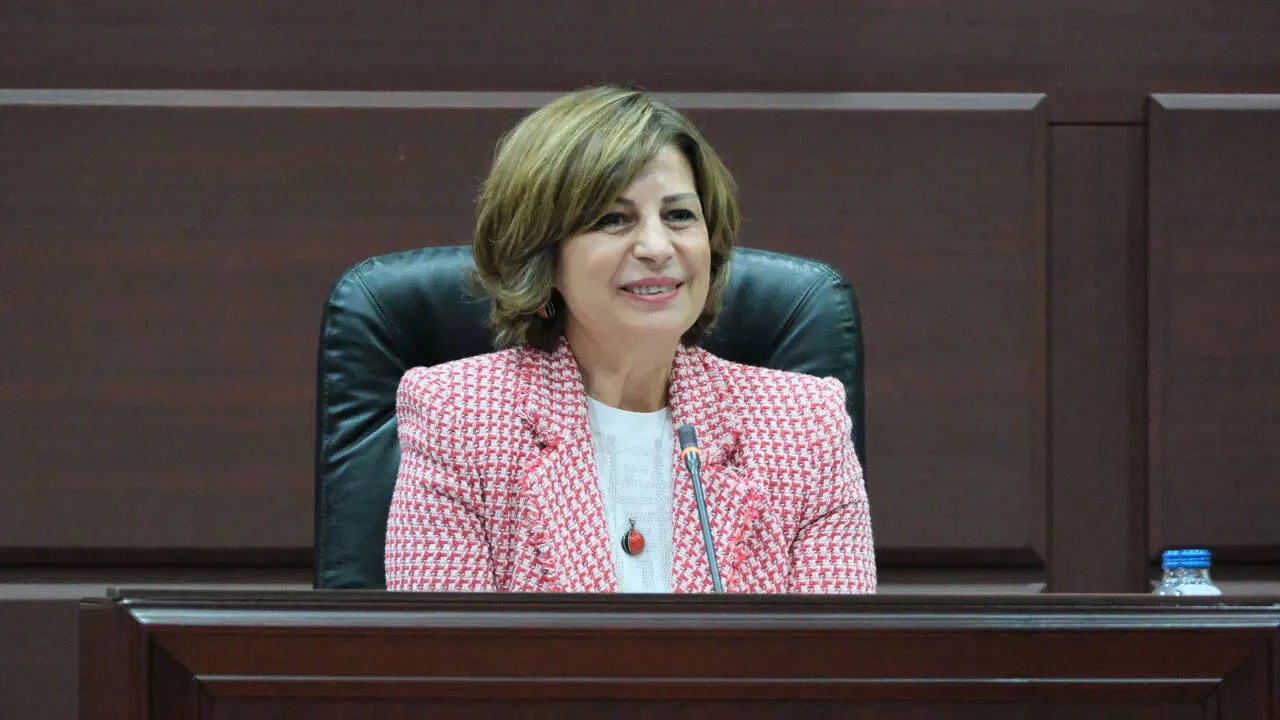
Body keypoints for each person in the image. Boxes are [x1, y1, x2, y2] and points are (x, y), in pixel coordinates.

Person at [385, 85, 875, 593]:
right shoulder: (458, 417)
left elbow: (832, 644)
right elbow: (447, 645)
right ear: (544, 252)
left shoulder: (803, 426)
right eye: (613, 219)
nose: (657, 247)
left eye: (679, 215)